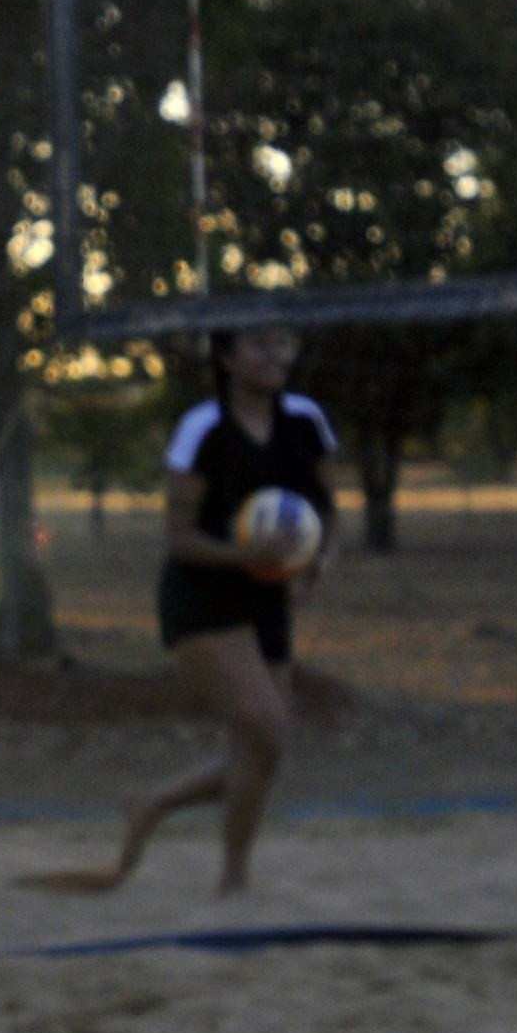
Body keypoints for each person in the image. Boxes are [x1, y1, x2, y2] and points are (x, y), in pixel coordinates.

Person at [95, 326, 337, 896]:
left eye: (282, 343)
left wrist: (320, 557)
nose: (275, 351)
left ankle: (181, 830)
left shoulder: (306, 420)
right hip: (202, 596)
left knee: (261, 750)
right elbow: (179, 539)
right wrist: (247, 554)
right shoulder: (202, 429)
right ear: (227, 358)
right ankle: (217, 865)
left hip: (267, 596)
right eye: (260, 343)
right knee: (269, 731)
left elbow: (327, 510)